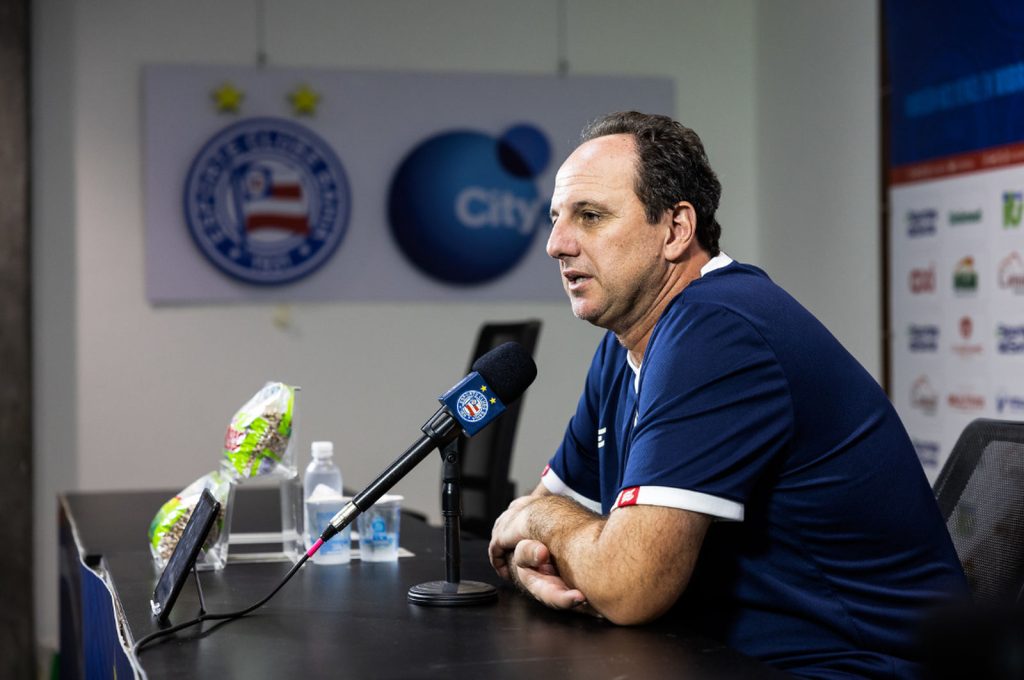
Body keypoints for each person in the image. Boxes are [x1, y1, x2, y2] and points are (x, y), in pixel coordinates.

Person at [488, 111, 968, 678]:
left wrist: (546, 526)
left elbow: (625, 583)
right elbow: (521, 533)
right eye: (556, 219)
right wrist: (544, 545)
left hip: (861, 668)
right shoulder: (628, 342)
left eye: (590, 216)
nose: (555, 245)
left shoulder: (718, 330)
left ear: (675, 229)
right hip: (722, 656)